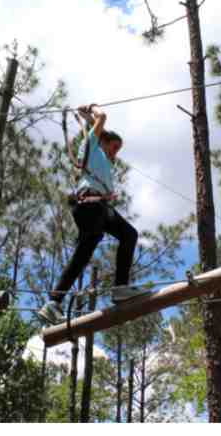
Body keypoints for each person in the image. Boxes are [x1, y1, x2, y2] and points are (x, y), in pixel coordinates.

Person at [38, 104, 151, 325]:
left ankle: (56, 302)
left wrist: (87, 118)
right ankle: (57, 301)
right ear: (103, 142)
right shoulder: (91, 147)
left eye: (118, 150)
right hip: (89, 205)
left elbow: (99, 128)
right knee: (106, 242)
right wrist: (91, 109)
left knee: (116, 240)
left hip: (99, 208)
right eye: (114, 147)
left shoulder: (104, 161)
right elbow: (102, 117)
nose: (115, 152)